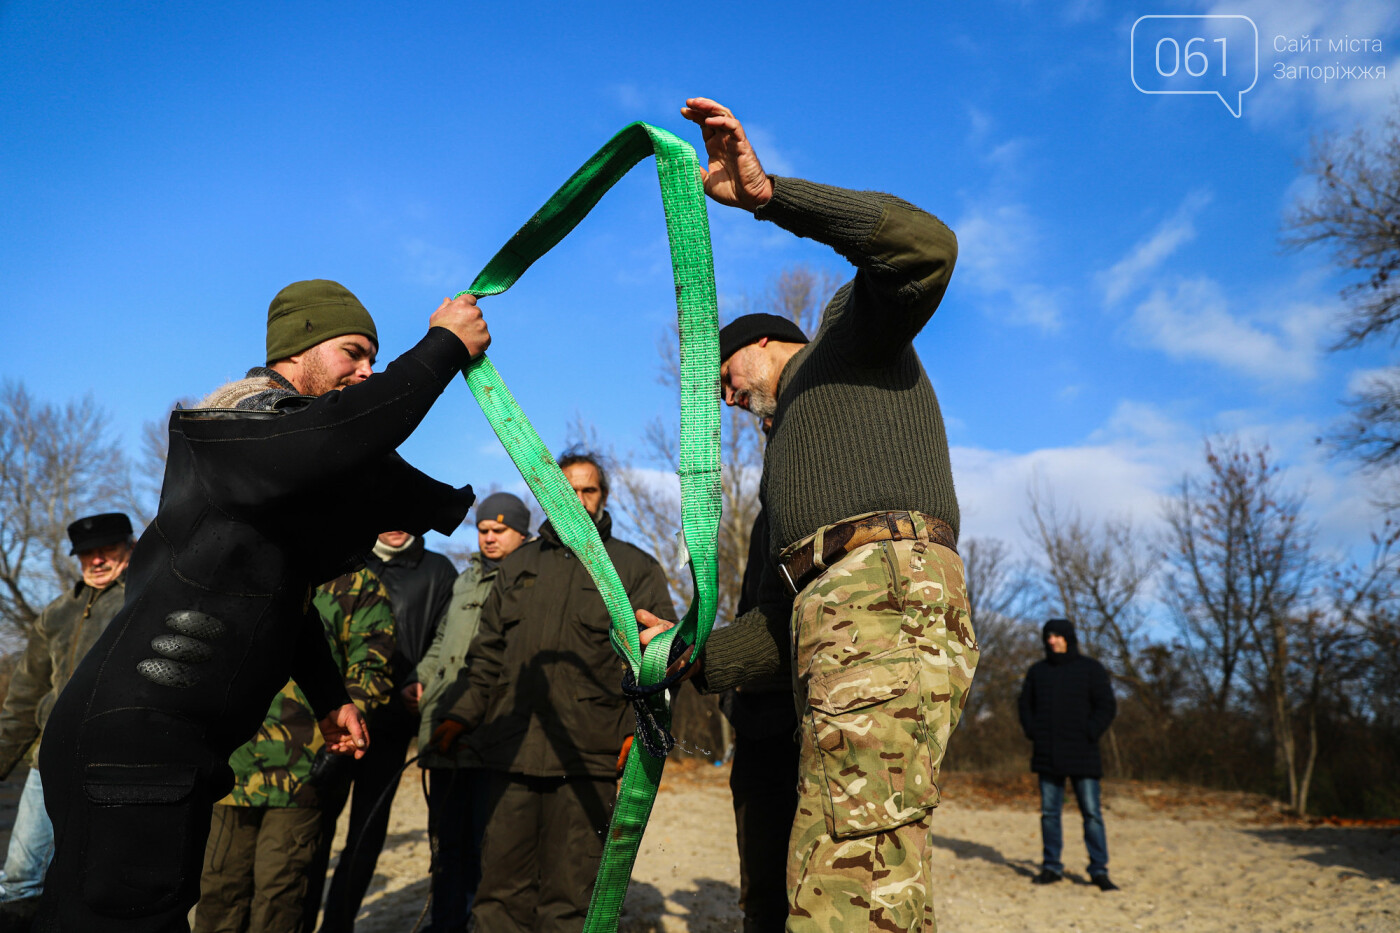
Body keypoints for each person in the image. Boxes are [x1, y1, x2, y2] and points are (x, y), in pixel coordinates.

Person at [35, 278, 489, 932]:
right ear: (296, 348)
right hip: (135, 742)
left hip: (160, 748)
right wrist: (443, 346)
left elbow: (280, 605)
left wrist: (332, 698)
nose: (366, 372)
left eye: (374, 360)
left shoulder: (273, 481)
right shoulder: (239, 425)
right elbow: (337, 437)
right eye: (353, 353)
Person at [636, 98, 979, 932]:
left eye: (725, 376)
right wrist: (683, 656)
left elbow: (926, 248)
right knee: (848, 867)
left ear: (760, 342)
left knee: (852, 872)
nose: (726, 396)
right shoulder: (790, 469)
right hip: (837, 619)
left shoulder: (846, 341)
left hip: (885, 602)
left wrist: (768, 194)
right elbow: (782, 623)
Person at [433, 452, 676, 933]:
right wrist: (461, 715)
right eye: (569, 489)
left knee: (570, 897)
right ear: (549, 494)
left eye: (590, 490)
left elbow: (658, 664)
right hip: (509, 752)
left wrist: (641, 733)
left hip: (591, 758)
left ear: (604, 498)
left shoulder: (635, 568)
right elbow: (487, 655)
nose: (579, 500)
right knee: (499, 893)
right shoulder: (518, 564)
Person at [193, 567, 395, 933]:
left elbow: (371, 666)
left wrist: (345, 737)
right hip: (230, 770)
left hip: (305, 772)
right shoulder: (239, 566)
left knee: (281, 898)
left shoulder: (356, 581)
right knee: (218, 891)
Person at [310, 530, 456, 933]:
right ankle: (299, 920)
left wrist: (417, 679)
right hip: (333, 724)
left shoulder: (438, 571)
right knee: (312, 829)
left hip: (391, 724)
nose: (396, 524)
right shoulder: (342, 561)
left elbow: (444, 637)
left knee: (366, 833)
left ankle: (337, 925)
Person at [0, 513, 134, 931]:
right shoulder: (56, 613)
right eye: (86, 554)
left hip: (115, 770)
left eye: (106, 550)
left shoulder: (142, 604)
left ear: (129, 546)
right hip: (49, 766)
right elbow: (24, 699)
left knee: (105, 884)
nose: (96, 560)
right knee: (20, 879)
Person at [414, 492, 532, 933]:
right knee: (446, 842)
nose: (488, 538)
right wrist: (419, 682)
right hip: (443, 726)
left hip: (493, 734)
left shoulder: (529, 580)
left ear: (522, 533)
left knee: (489, 843)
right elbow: (444, 639)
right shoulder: (465, 580)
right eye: (483, 530)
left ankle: (479, 924)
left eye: (499, 531)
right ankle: (445, 922)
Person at [1017, 618, 1119, 891]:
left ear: (1068, 638)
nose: (1051, 640)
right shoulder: (1037, 671)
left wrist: (1090, 731)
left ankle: (1099, 870)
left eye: (1057, 635)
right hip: (1047, 753)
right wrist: (1034, 732)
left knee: (1092, 814)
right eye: (1048, 636)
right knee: (1050, 813)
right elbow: (1024, 706)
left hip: (1084, 753)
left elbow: (1107, 705)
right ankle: (1051, 867)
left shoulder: (1091, 669)